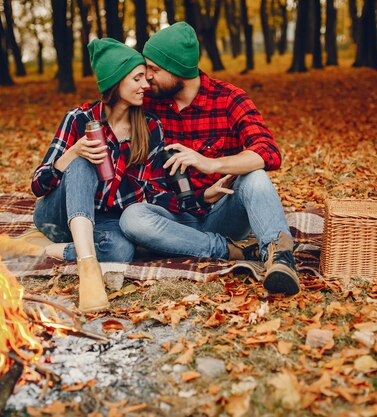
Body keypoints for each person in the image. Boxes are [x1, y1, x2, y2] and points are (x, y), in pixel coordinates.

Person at [119, 22, 301, 296]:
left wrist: (211, 163)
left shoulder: (229, 99)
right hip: (173, 217)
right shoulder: (147, 103)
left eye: (155, 70)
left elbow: (268, 151)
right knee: (132, 218)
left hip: (222, 213)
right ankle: (228, 250)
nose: (148, 77)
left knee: (255, 176)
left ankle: (280, 258)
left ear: (179, 70)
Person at [23, 38, 190, 313]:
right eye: (137, 79)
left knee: (121, 251)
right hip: (58, 215)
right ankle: (87, 268)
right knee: (82, 163)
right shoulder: (79, 118)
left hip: (107, 220)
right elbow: (38, 185)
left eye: (144, 79)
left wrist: (192, 205)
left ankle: (55, 250)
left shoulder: (149, 127)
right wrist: (73, 153)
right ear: (116, 81)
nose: (145, 85)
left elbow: (157, 191)